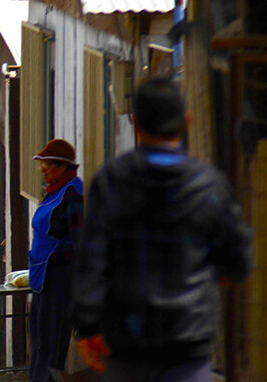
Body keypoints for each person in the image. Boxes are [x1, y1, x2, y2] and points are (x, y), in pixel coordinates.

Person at [71, 77, 252, 381]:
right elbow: (237, 262)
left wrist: (87, 327)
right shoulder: (209, 184)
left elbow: (91, 262)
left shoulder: (112, 181)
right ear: (186, 121)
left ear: (137, 122)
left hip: (126, 347)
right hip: (188, 347)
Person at [27, 138, 83, 382]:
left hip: (60, 278)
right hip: (43, 278)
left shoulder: (72, 195)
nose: (43, 171)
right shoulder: (54, 192)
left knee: (51, 346)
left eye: (47, 166)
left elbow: (79, 240)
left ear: (62, 167)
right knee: (40, 344)